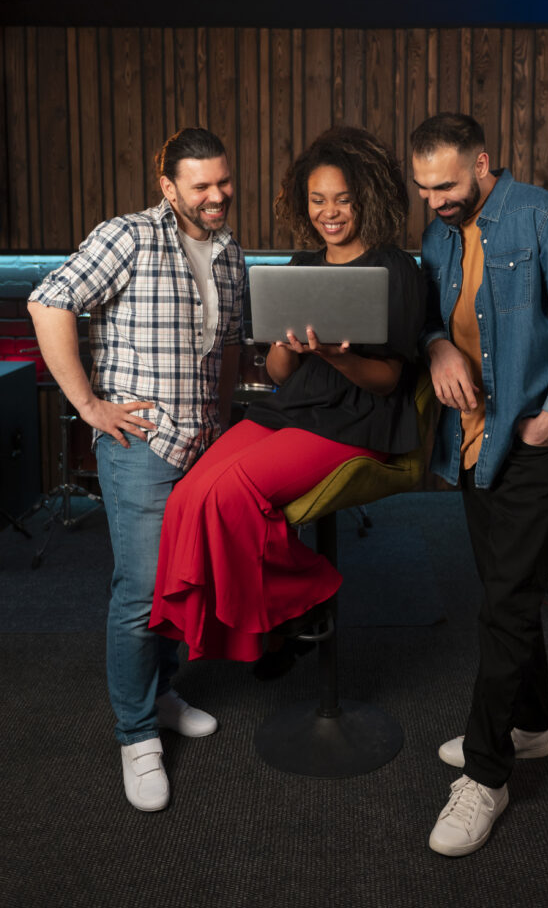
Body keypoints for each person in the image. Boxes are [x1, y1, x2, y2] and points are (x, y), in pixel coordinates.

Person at [412, 113, 548, 857]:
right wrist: (437, 345)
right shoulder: (438, 234)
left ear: (483, 163)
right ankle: (529, 730)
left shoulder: (541, 216)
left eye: (447, 184)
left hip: (530, 441)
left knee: (503, 606)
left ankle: (486, 774)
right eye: (424, 188)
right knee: (508, 591)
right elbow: (429, 317)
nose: (435, 199)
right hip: (472, 445)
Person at [149, 126, 426, 672]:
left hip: (356, 419)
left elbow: (388, 380)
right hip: (292, 408)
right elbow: (279, 373)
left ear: (365, 199)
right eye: (319, 200)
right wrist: (287, 345)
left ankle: (308, 595)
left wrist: (337, 355)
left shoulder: (396, 268)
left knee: (233, 494)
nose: (331, 213)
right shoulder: (301, 269)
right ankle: (274, 626)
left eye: (343, 200)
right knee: (189, 494)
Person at [27, 128, 246, 813]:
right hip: (142, 448)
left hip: (203, 442)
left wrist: (228, 416)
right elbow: (48, 300)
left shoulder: (231, 250)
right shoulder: (127, 236)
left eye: (222, 181)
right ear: (168, 187)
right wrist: (88, 404)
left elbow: (230, 345)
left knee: (183, 579)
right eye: (201, 185)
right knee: (140, 591)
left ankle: (165, 693)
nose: (216, 195)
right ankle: (136, 733)